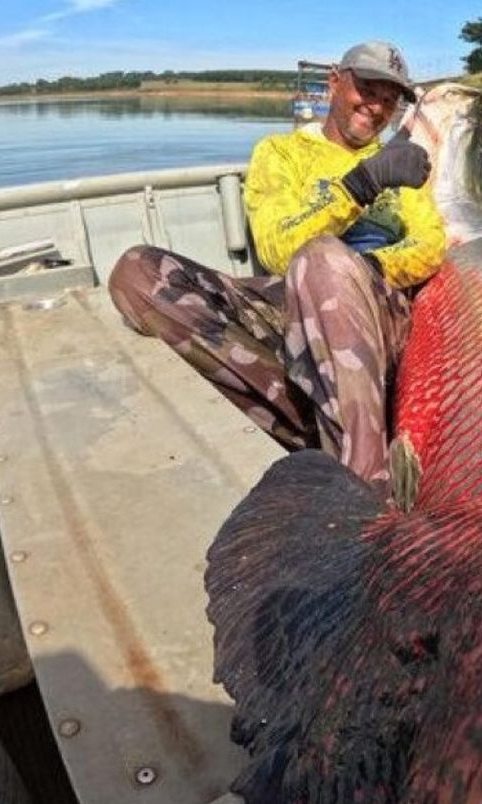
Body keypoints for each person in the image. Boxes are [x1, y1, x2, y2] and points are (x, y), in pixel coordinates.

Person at [108, 41, 445, 483]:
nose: (377, 107)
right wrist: (361, 185)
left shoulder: (401, 163)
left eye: (390, 99)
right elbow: (275, 249)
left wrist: (366, 270)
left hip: (379, 311)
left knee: (324, 260)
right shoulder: (280, 153)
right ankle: (321, 428)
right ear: (335, 81)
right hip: (288, 301)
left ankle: (366, 483)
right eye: (367, 89)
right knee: (136, 272)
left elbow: (430, 245)